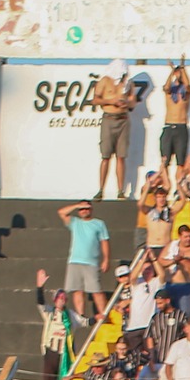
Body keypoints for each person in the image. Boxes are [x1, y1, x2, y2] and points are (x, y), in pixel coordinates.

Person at [92, 61, 140, 200]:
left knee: (121, 156)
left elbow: (133, 101)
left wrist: (126, 102)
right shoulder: (105, 81)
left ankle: (121, 191)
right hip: (108, 119)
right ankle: (101, 190)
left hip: (123, 119)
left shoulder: (128, 83)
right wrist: (112, 101)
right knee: (106, 156)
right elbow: (95, 100)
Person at [57, 201, 111, 320]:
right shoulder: (75, 222)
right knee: (77, 290)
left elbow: (104, 242)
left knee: (96, 290)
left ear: (91, 209)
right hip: (75, 261)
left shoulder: (99, 224)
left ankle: (104, 315)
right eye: (82, 209)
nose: (84, 210)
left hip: (91, 263)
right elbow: (61, 212)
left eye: (87, 208)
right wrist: (76, 205)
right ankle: (80, 316)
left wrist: (106, 259)